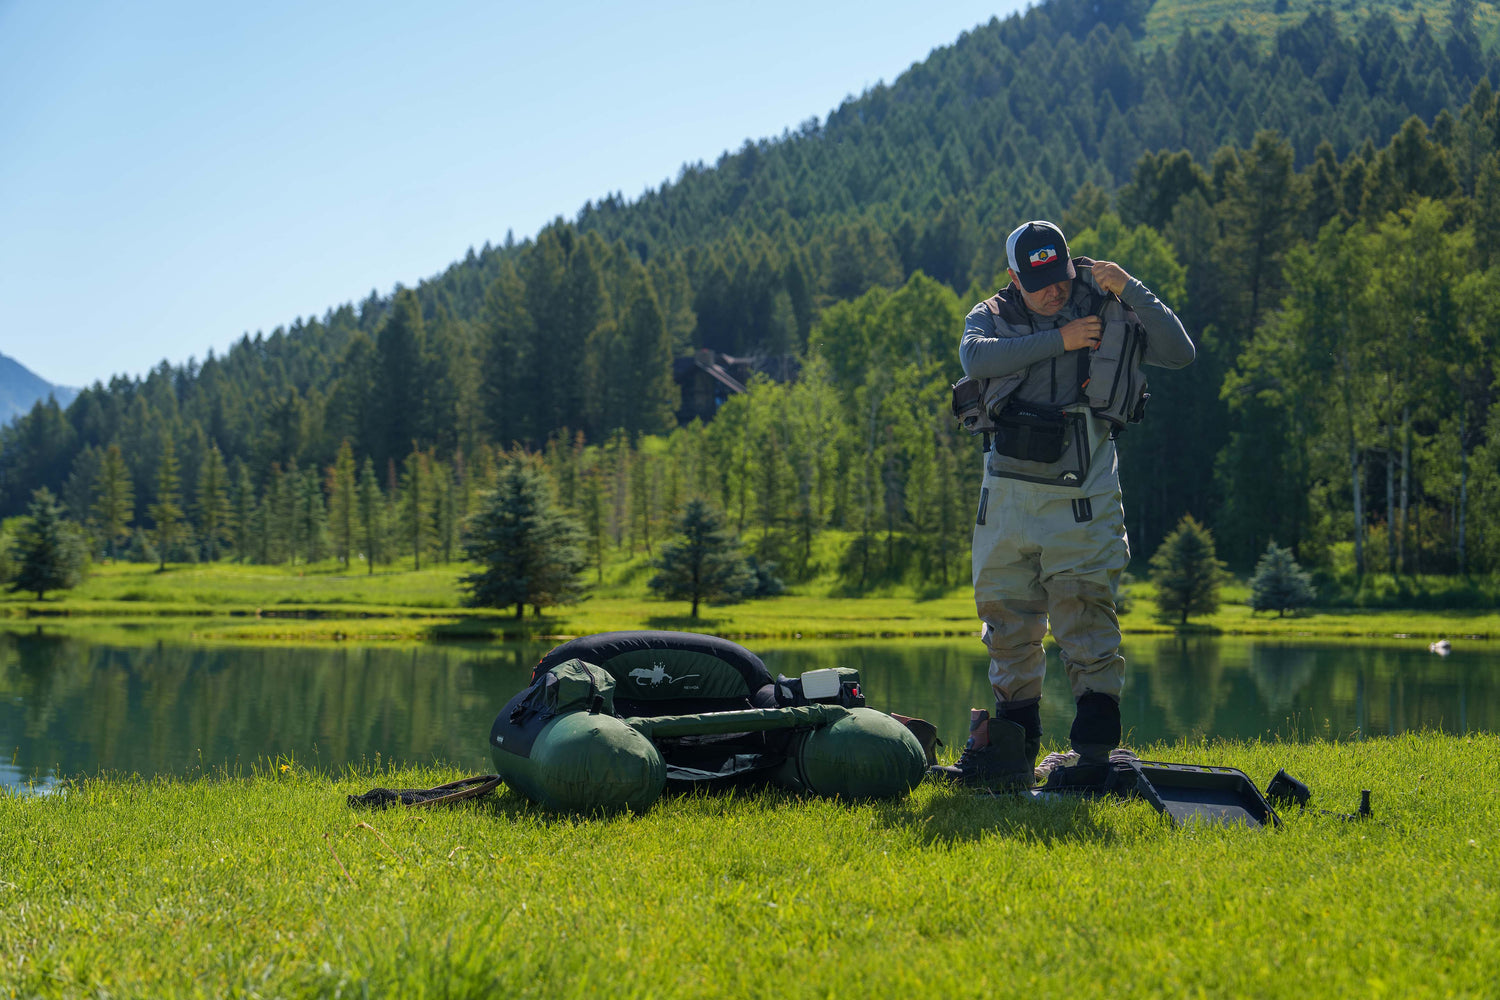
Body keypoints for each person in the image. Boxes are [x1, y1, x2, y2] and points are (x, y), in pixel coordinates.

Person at [935, 219, 1195, 790]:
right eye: (1037, 282)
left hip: (1083, 495)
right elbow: (974, 361)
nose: (1052, 290)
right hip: (1005, 500)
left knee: (1085, 616)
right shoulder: (990, 315)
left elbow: (1180, 352)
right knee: (1006, 623)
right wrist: (1061, 340)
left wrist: (1131, 288)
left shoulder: (1110, 297)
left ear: (1070, 263)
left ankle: (1096, 757)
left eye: (1058, 276)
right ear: (1013, 277)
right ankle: (1014, 752)